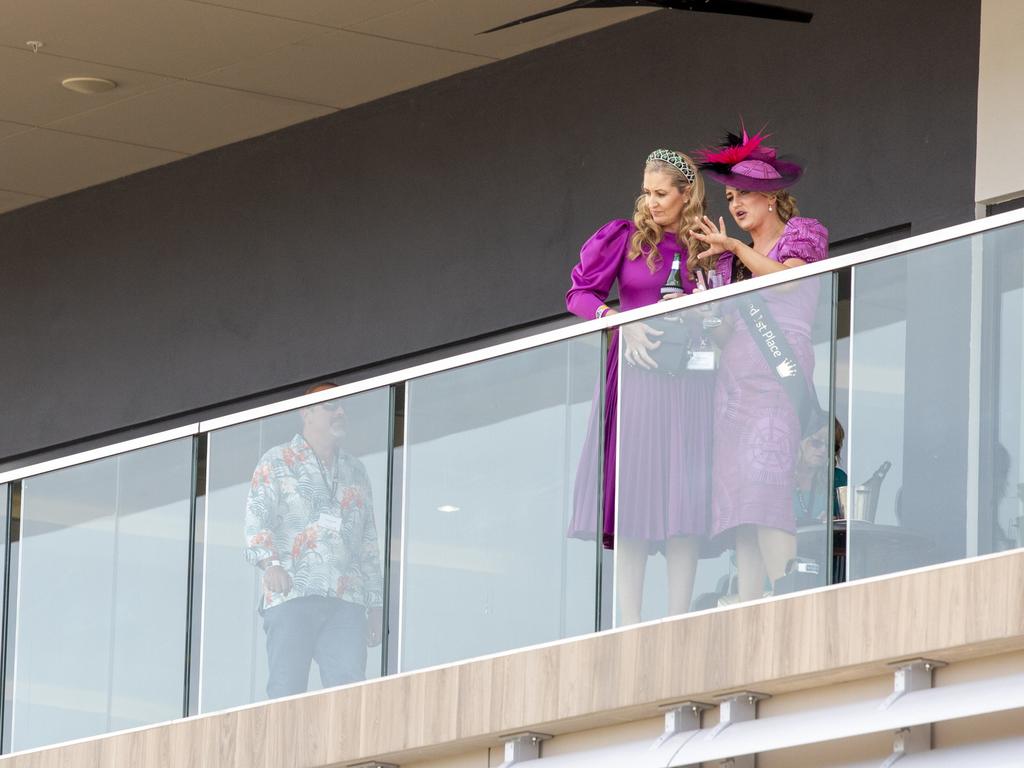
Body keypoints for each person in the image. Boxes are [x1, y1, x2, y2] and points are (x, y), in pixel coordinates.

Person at [566, 149, 732, 624]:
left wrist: (707, 312)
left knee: (684, 496)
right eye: (648, 192)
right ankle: (631, 623)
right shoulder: (627, 236)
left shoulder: (707, 245)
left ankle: (677, 618)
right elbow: (579, 294)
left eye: (662, 194)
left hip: (690, 381)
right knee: (633, 495)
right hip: (637, 373)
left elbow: (727, 327)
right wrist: (619, 321)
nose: (652, 202)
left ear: (686, 195)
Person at [690, 127, 829, 602]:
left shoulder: (803, 233)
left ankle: (789, 590)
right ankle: (749, 604)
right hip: (734, 389)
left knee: (767, 489)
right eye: (729, 197)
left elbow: (789, 283)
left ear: (772, 197)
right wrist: (710, 316)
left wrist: (734, 249)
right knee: (741, 505)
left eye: (744, 194)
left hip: (777, 379)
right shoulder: (730, 265)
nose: (735, 205)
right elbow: (730, 330)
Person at [244, 383, 384, 698]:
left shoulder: (356, 471)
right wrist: (272, 564)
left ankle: (347, 749)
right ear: (306, 413)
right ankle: (284, 748)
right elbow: (257, 519)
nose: (341, 412)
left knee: (349, 688)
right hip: (294, 593)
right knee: (287, 688)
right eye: (331, 406)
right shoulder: (277, 461)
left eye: (342, 406)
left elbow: (368, 543)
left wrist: (375, 603)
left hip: (345, 598)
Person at [794, 418, 848, 525]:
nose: (823, 450)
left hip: (820, 540)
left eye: (830, 445)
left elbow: (846, 524)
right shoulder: (778, 476)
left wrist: (835, 520)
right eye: (816, 443)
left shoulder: (838, 478)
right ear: (799, 440)